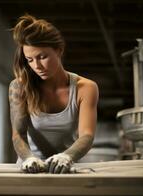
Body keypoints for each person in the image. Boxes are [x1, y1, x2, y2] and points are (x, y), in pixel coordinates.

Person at [8, 14, 99, 174]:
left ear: (59, 50)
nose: (37, 66)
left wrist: (67, 156)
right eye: (30, 60)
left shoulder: (86, 88)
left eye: (42, 57)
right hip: (30, 169)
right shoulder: (19, 86)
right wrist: (29, 158)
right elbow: (18, 134)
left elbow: (87, 135)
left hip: (66, 167)